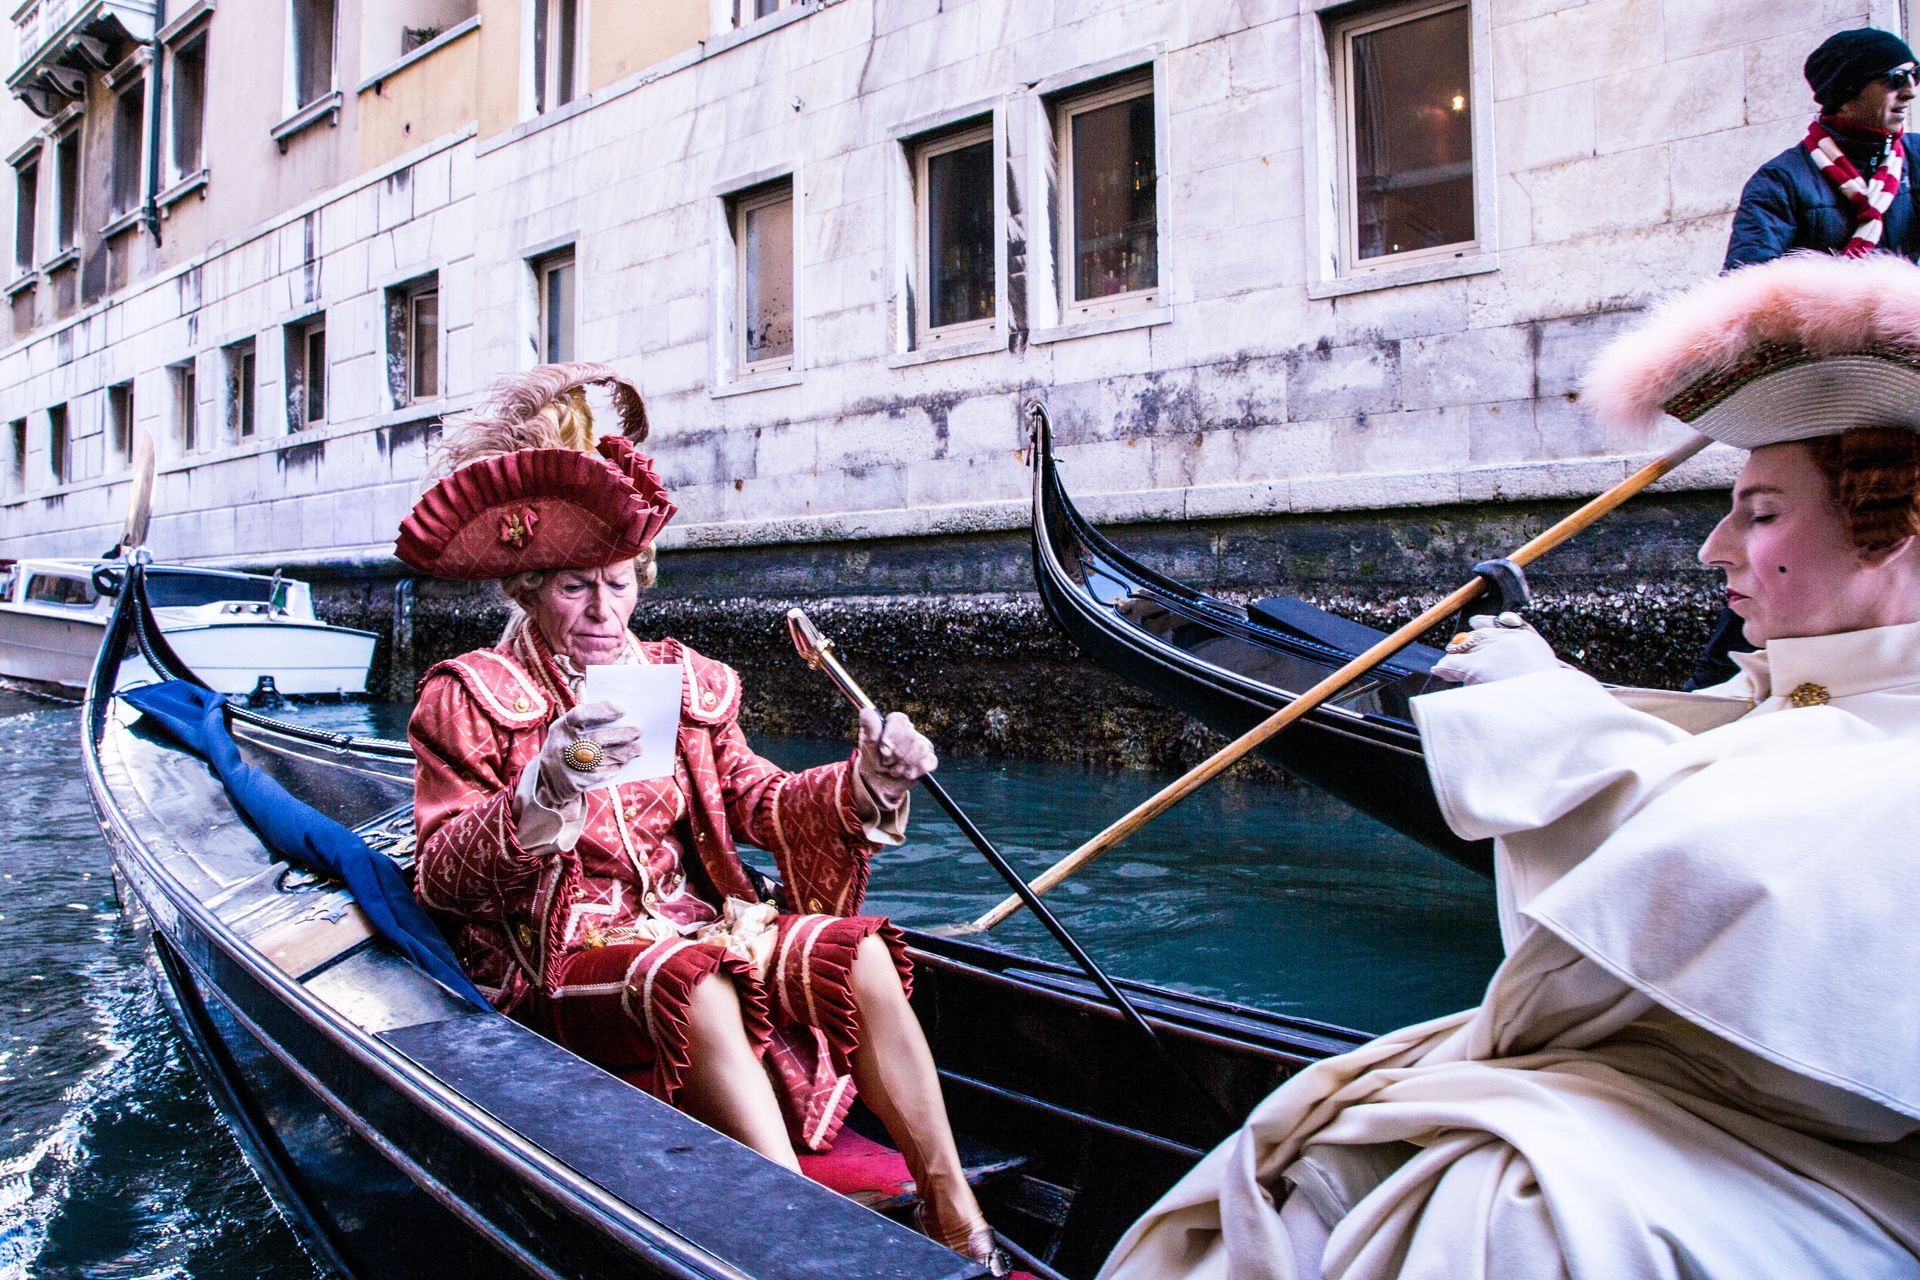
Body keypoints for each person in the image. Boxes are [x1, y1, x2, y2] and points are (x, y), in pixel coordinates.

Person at [1097, 253, 1920, 1279]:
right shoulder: (1814, 695)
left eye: (1759, 513)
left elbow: (1703, 859)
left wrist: (1538, 706)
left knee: (1493, 1212)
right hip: (1705, 1124)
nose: (1714, 548)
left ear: (1893, 524)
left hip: (1804, 1165)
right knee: (1345, 1161)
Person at [394, 364, 1006, 1274]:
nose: (604, 614)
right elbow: (442, 875)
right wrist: (549, 783)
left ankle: (961, 1226)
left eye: (617, 584)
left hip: (694, 926)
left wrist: (869, 776)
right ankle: (795, 1240)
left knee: (860, 949)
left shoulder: (684, 682)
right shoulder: (473, 696)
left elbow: (760, 802)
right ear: (527, 587)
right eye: (572, 588)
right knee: (700, 975)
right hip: (556, 961)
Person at [1725, 27, 1920, 272]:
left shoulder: (1916, 156)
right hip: (1827, 311)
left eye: (1916, 74)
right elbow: (1744, 284)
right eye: (1897, 79)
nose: (1911, 91)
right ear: (1846, 97)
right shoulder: (1780, 181)